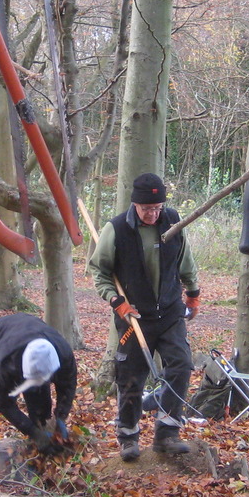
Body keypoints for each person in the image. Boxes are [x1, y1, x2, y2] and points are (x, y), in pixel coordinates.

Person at [88, 172, 200, 460]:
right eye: (147, 209)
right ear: (135, 205)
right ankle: (127, 436)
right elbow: (99, 271)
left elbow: (185, 260)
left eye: (157, 208)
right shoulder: (116, 229)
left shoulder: (173, 222)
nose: (153, 214)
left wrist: (193, 292)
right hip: (133, 316)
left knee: (182, 365)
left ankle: (168, 433)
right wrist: (116, 301)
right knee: (130, 377)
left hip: (170, 312)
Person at [0, 313, 78, 467]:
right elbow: (3, 403)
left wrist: (60, 418)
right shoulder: (6, 361)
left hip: (26, 339)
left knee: (41, 416)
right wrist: (33, 433)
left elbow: (68, 386)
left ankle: (41, 469)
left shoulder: (64, 355)